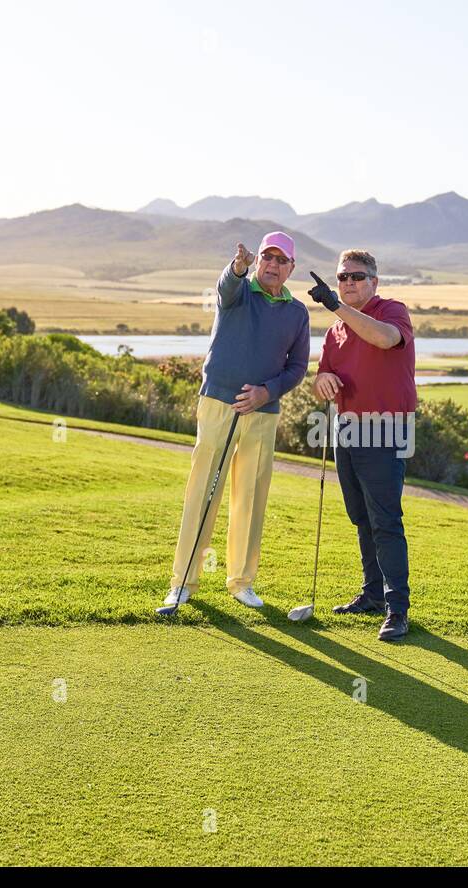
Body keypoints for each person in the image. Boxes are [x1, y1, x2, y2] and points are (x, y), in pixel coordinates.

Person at [163, 231, 309, 609]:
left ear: (291, 268)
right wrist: (237, 267)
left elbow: (297, 368)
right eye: (267, 258)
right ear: (257, 260)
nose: (273, 265)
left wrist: (267, 391)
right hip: (219, 404)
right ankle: (183, 582)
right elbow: (226, 286)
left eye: (281, 260)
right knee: (203, 493)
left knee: (250, 497)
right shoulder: (239, 290)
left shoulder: (297, 312)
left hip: (263, 413)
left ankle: (242, 582)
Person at [309, 250, 416, 642]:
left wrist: (336, 306)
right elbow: (323, 375)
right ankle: (372, 595)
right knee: (361, 517)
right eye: (342, 277)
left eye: (357, 276)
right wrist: (322, 382)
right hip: (347, 430)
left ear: (374, 281)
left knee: (385, 520)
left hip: (386, 430)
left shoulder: (392, 311)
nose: (349, 282)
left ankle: (397, 609)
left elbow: (385, 339)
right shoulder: (333, 332)